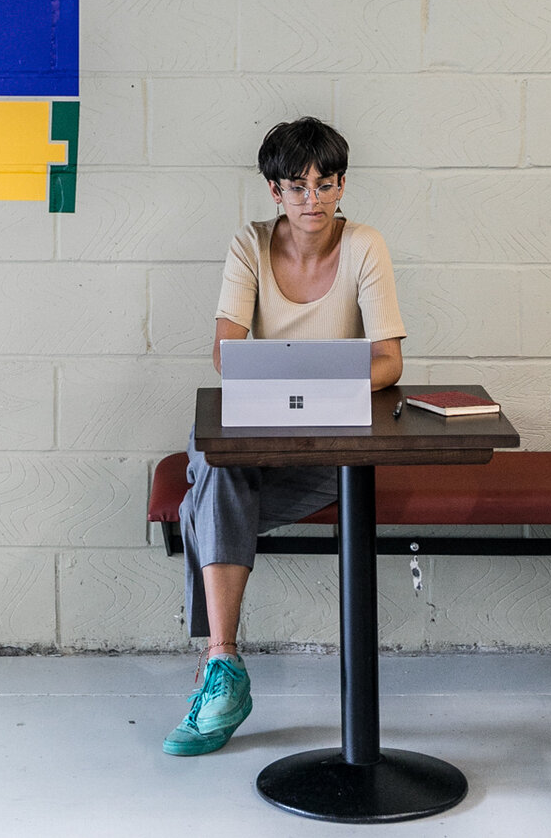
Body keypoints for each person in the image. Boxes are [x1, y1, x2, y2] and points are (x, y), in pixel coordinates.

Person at [163, 117, 404, 757]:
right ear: (275, 191)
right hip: (256, 432)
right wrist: (326, 379)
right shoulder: (249, 244)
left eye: (325, 185)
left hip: (335, 441)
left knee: (205, 503)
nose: (312, 200)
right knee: (218, 466)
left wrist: (317, 392)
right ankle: (225, 660)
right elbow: (226, 351)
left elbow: (390, 361)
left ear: (342, 185)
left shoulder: (365, 246)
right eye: (297, 187)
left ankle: (219, 676)